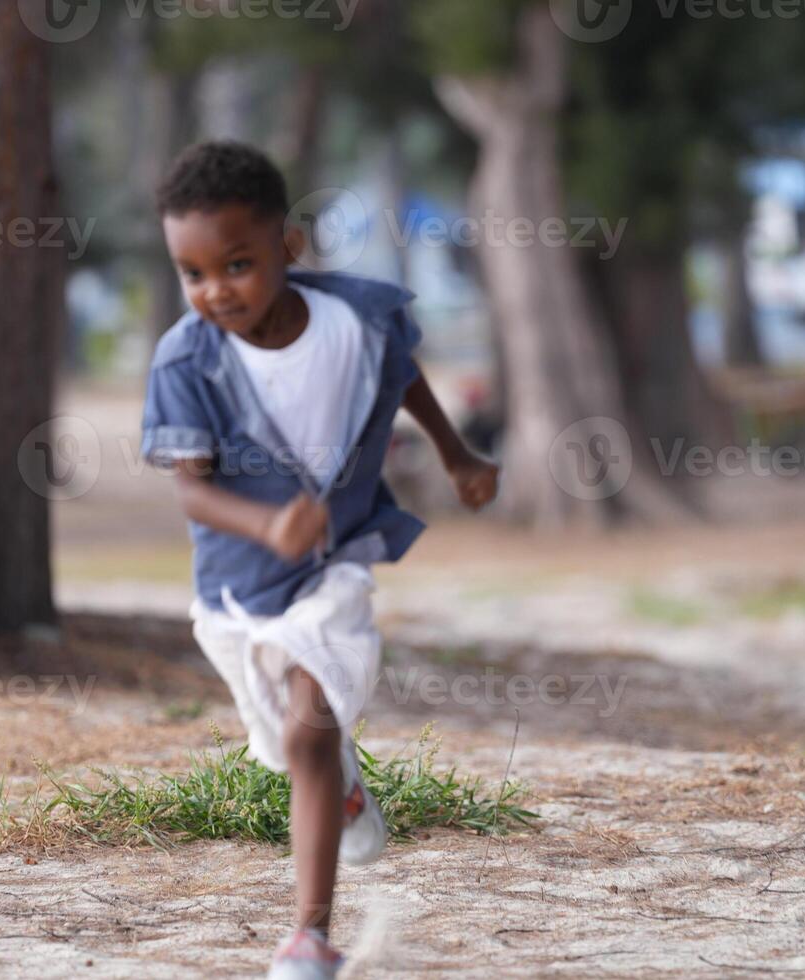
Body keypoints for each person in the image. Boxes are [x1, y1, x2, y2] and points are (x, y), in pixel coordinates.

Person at [140, 140, 499, 978]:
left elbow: (400, 374)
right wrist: (266, 531)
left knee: (307, 729)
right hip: (237, 590)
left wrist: (455, 456)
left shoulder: (355, 320)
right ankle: (337, 783)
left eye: (237, 263)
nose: (215, 291)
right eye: (193, 274)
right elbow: (190, 492)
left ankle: (310, 936)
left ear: (287, 247)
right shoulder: (185, 360)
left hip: (336, 559)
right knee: (290, 742)